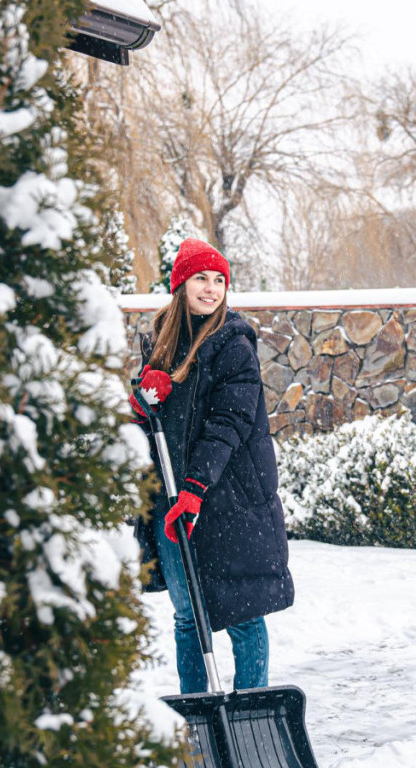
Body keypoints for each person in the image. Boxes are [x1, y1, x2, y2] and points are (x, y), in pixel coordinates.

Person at [130, 237, 294, 695]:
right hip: (171, 500)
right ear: (180, 285)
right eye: (200, 278)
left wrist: (196, 487)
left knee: (242, 616)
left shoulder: (233, 344)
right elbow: (153, 426)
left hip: (225, 503)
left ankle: (250, 711)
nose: (211, 288)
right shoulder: (162, 343)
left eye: (219, 279)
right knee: (187, 617)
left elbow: (230, 421)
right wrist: (143, 403)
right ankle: (199, 714)